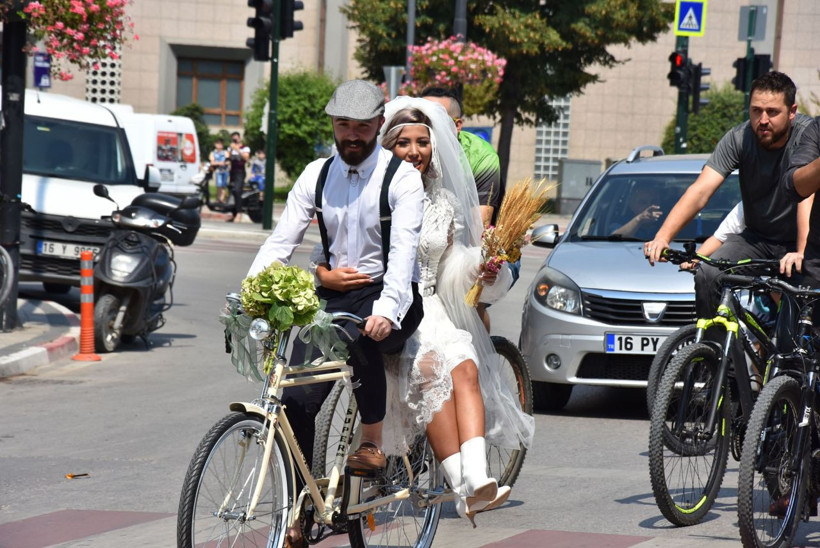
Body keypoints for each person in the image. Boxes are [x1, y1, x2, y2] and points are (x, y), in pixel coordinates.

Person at [317, 97, 534, 525]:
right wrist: (327, 277)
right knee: (433, 369)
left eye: (422, 142)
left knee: (467, 366)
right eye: (402, 142)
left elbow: (450, 265)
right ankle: (458, 484)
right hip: (389, 307)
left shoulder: (446, 202)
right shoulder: (375, 194)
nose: (413, 151)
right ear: (387, 146)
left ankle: (477, 479)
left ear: (434, 148)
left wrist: (482, 267)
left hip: (431, 305)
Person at [248, 79, 425, 483]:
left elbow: (403, 253)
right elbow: (282, 240)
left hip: (390, 294)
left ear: (379, 124)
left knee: (363, 336)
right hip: (334, 296)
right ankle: (300, 501)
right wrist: (250, 292)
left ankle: (371, 443)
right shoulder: (317, 174)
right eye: (344, 124)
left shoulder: (401, 179)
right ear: (332, 123)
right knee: (296, 396)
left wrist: (386, 310)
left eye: (363, 126)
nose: (353, 135)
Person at [645, 71, 813, 319]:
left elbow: (806, 195)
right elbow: (701, 190)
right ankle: (713, 352)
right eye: (756, 110)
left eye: (772, 112)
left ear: (792, 111)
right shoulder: (739, 138)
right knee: (707, 273)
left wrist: (802, 251)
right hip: (757, 239)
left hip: (807, 242)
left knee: (801, 321)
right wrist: (662, 237)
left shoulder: (807, 136)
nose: (762, 119)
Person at [421, 86, 514, 331]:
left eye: (435, 119)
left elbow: (478, 230)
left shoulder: (481, 156)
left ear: (457, 125)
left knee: (469, 303)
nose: (425, 125)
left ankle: (482, 363)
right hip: (431, 240)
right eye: (419, 116)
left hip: (487, 246)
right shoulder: (411, 148)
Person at [226, 131, 251, 222]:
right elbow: (227, 157)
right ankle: (233, 213)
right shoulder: (230, 148)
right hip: (232, 171)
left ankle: (239, 213)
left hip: (240, 172)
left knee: (237, 190)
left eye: (236, 138)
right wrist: (230, 150)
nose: (235, 140)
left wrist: (237, 149)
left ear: (239, 138)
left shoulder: (245, 148)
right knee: (232, 191)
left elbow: (246, 158)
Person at [209, 138, 229, 203]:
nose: (220, 145)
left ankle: (222, 199)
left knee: (224, 185)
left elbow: (228, 161)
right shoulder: (213, 153)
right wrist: (219, 163)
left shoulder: (225, 152)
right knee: (219, 184)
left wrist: (224, 163)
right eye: (218, 144)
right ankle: (219, 198)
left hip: (225, 170)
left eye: (221, 144)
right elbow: (212, 162)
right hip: (218, 171)